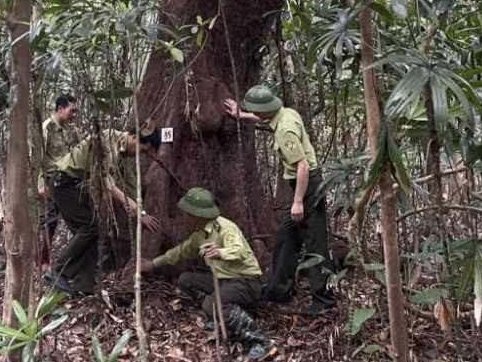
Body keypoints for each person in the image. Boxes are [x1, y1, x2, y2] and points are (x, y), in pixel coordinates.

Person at [224, 85, 336, 315]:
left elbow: (302, 165)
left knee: (316, 242)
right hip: (303, 184)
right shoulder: (284, 113)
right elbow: (265, 118)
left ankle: (324, 300)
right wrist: (241, 114)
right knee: (287, 237)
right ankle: (279, 290)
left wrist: (297, 202)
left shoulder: (285, 130)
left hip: (308, 186)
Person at [140, 187, 275, 360]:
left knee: (211, 304)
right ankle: (222, 316)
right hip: (223, 281)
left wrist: (220, 252)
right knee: (186, 280)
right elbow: (180, 252)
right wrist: (152, 264)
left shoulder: (225, 227)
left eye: (188, 214)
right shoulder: (199, 235)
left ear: (198, 215)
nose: (186, 218)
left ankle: (261, 341)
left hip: (246, 281)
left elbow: (238, 250)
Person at [46, 126, 161, 295]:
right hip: (63, 183)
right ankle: (57, 271)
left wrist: (140, 213)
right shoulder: (108, 142)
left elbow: (129, 184)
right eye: (142, 149)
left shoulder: (122, 152)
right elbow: (108, 184)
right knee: (89, 228)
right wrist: (132, 207)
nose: (139, 154)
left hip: (75, 186)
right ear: (134, 138)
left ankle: (83, 286)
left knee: (96, 232)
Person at [38, 95, 79, 264]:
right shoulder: (46, 129)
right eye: (72, 110)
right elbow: (38, 158)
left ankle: (75, 260)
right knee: (50, 221)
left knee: (76, 219)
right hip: (51, 181)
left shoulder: (71, 130)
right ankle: (43, 260)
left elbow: (78, 151)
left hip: (69, 181)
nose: (74, 115)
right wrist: (41, 184)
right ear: (60, 109)